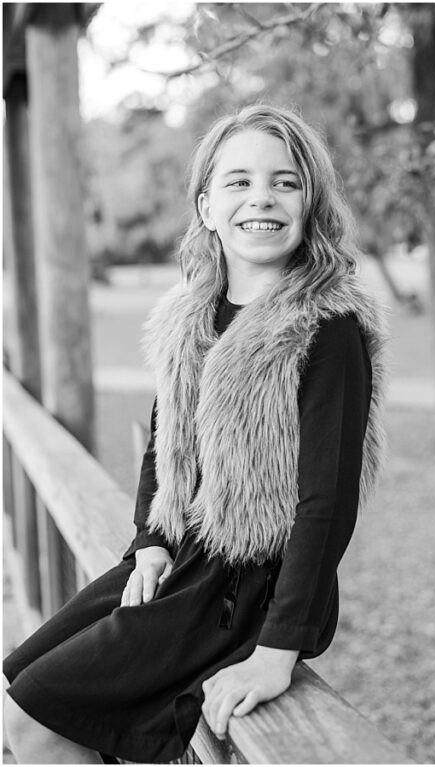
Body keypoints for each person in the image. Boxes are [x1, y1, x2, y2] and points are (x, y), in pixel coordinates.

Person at [3, 105, 388, 763]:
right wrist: (151, 540)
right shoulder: (193, 315)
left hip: (244, 586)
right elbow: (166, 438)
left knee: (36, 721)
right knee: (16, 692)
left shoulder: (327, 330)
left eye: (285, 181)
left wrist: (276, 650)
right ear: (207, 206)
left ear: (311, 204)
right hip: (180, 557)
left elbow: (325, 501)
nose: (261, 196)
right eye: (238, 181)